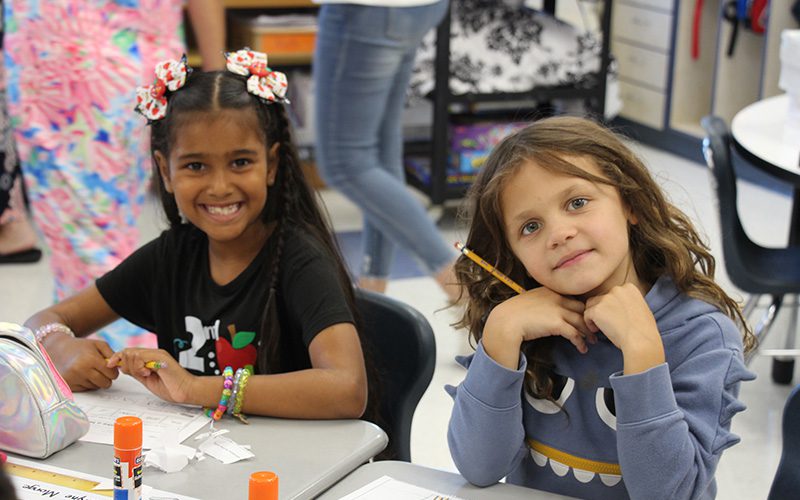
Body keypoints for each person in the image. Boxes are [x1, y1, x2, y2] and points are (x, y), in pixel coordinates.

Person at [23, 50, 368, 420]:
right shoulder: (171, 256)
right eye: (195, 166)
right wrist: (59, 346)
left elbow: (347, 389)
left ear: (271, 165)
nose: (220, 186)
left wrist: (193, 388)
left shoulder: (300, 259)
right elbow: (43, 320)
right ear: (165, 171)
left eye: (240, 162)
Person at [447, 116, 757, 498]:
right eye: (530, 227)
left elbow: (670, 494)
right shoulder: (519, 323)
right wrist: (500, 335)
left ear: (630, 203)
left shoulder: (701, 335)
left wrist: (643, 351)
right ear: (512, 254)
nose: (560, 234)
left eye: (577, 203)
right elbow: (478, 469)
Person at [3, 0, 224, 348]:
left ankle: (125, 373)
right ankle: (106, 364)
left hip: (76, 62)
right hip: (56, 54)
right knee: (82, 246)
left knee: (91, 251)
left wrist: (218, 81)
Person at [313, 0, 460, 301]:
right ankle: (372, 292)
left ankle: (461, 284)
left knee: (344, 164)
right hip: (417, 7)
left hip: (367, 11)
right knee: (377, 156)